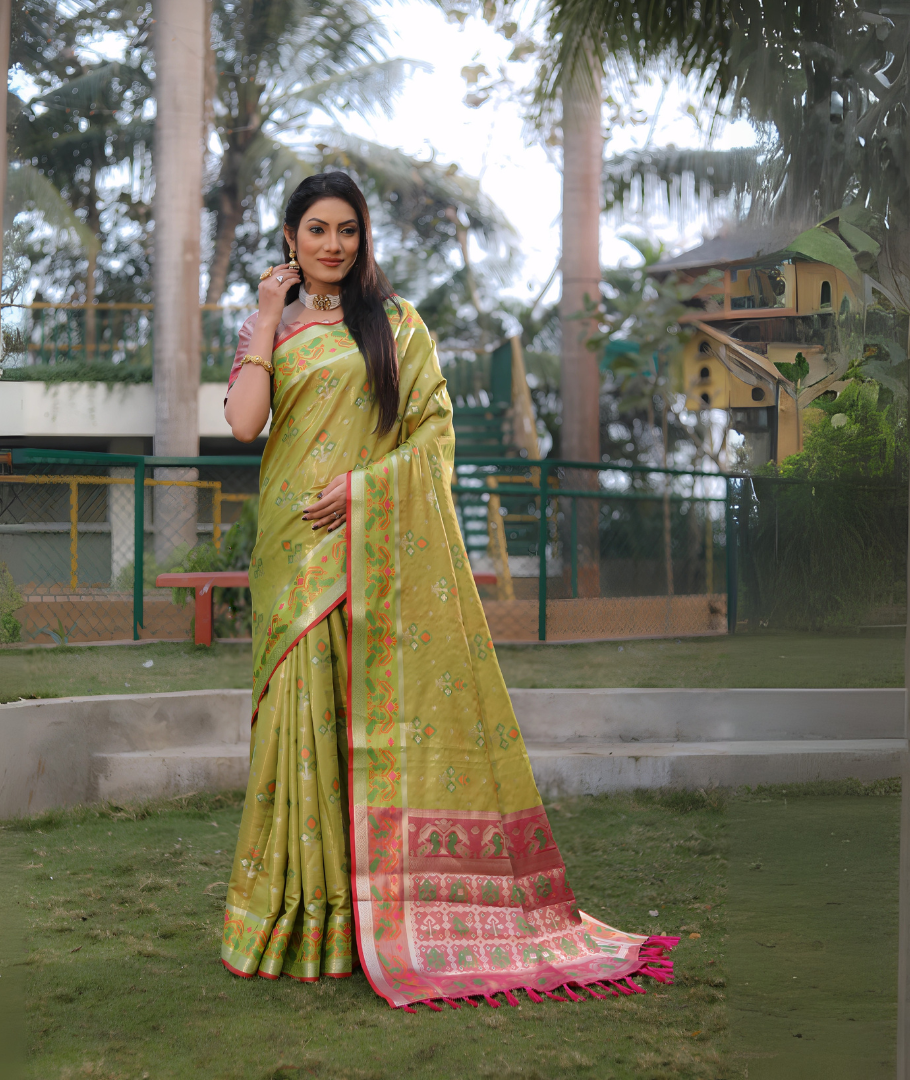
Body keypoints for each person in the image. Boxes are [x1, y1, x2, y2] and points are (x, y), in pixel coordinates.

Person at [220, 171, 676, 1010]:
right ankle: (302, 920)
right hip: (291, 559)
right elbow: (245, 425)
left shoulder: (396, 327)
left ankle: (375, 914)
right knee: (300, 727)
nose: (332, 244)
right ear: (290, 238)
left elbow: (433, 438)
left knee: (364, 727)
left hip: (366, 547)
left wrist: (364, 490)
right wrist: (264, 311)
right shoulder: (273, 329)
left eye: (347, 230)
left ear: (363, 241)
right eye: (316, 229)